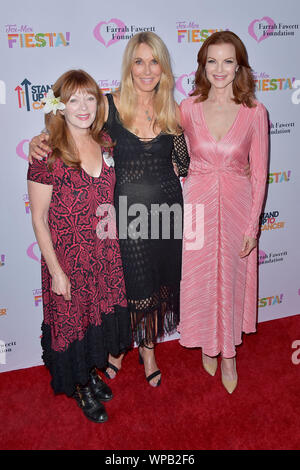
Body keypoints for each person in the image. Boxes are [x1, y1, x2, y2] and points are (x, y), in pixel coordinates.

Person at [28, 32, 190, 388]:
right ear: (129, 66)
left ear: (163, 68)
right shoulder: (108, 105)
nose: (147, 69)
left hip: (167, 213)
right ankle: (119, 348)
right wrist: (39, 140)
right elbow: (74, 129)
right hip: (122, 216)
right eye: (139, 61)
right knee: (130, 286)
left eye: (154, 61)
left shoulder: (173, 110)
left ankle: (148, 350)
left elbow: (183, 162)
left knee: (159, 286)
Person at [27, 69, 132, 422]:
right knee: (71, 322)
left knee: (93, 318)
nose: (83, 106)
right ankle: (78, 386)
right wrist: (56, 271)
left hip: (104, 254)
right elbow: (39, 219)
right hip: (67, 260)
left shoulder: (105, 142)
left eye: (89, 97)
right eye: (73, 99)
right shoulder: (47, 154)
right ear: (60, 106)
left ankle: (88, 372)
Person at [178, 31, 268, 393]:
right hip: (196, 204)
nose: (219, 69)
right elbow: (174, 156)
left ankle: (228, 353)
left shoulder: (255, 112)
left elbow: (259, 172)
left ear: (239, 66)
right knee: (200, 277)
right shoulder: (187, 108)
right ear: (203, 65)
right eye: (211, 61)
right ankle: (207, 340)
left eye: (227, 61)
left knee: (230, 278)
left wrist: (253, 226)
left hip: (237, 204)